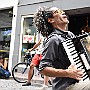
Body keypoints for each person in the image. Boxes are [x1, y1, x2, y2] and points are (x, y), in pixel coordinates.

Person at [32, 6, 90, 90]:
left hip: (81, 80)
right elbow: (43, 68)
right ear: (51, 20)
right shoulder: (53, 40)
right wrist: (67, 73)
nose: (63, 12)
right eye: (57, 11)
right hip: (66, 86)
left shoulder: (70, 35)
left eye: (62, 11)